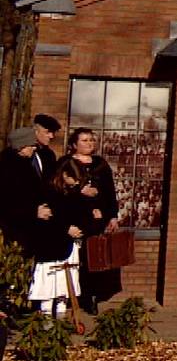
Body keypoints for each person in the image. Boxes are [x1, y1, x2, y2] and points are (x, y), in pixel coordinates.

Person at [66, 127, 121, 314]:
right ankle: (78, 296)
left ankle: (95, 296)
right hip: (76, 219)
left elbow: (109, 192)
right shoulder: (66, 164)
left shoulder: (100, 164)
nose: (89, 143)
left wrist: (112, 215)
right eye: (84, 140)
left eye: (91, 140)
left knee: (96, 257)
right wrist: (78, 192)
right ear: (74, 144)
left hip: (98, 219)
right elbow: (57, 189)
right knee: (79, 259)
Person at [29, 158, 89, 318]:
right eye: (74, 179)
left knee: (64, 288)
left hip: (69, 245)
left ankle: (61, 323)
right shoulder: (47, 191)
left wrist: (80, 228)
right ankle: (47, 324)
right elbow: (47, 218)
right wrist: (66, 229)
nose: (76, 183)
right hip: (50, 244)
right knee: (48, 287)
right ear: (64, 174)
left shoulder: (75, 193)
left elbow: (81, 214)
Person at [0, 127, 55, 261]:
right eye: (31, 145)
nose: (34, 148)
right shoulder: (8, 168)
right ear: (21, 146)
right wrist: (33, 212)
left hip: (26, 229)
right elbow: (6, 203)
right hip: (13, 235)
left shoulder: (23, 163)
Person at [30, 114, 61, 179]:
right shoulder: (18, 151)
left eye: (53, 133)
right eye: (47, 132)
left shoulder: (49, 155)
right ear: (35, 131)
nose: (51, 136)